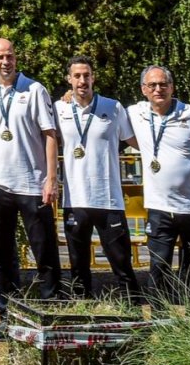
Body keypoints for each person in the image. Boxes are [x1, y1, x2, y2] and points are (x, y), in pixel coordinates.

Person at [0, 38, 61, 341]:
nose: (5, 62)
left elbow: (50, 135)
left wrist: (51, 178)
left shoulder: (34, 90)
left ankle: (50, 315)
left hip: (32, 184)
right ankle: (7, 318)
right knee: (2, 255)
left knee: (44, 252)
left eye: (9, 56)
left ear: (15, 58)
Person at [128, 65, 190, 301]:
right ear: (144, 89)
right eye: (152, 85)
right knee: (158, 266)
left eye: (163, 84)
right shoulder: (134, 112)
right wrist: (69, 95)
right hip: (159, 206)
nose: (158, 89)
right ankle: (160, 315)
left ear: (172, 87)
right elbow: (105, 112)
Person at [55, 56, 141, 300]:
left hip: (108, 199)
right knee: (78, 265)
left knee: (121, 261)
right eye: (77, 76)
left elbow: (134, 140)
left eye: (86, 75)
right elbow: (47, 141)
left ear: (93, 77)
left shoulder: (113, 107)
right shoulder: (59, 108)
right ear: (69, 79)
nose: (82, 81)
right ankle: (82, 308)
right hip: (74, 199)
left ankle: (132, 306)